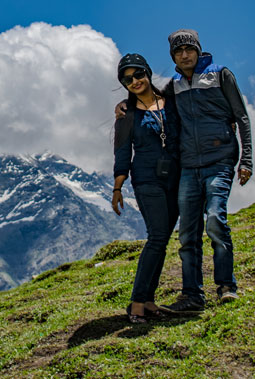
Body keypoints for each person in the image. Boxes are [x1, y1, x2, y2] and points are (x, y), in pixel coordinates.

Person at [161, 29, 253, 311]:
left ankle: (227, 286)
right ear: (173, 56)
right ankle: (192, 295)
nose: (185, 55)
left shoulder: (220, 74)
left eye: (189, 49)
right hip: (189, 166)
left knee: (215, 219)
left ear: (198, 50)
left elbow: (242, 116)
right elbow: (148, 102)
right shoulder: (172, 85)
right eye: (179, 51)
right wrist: (123, 106)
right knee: (187, 234)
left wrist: (246, 159)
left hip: (220, 161)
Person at [111, 53, 181, 324]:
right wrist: (118, 187)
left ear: (148, 73)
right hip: (146, 180)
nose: (134, 81)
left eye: (138, 74)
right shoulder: (126, 115)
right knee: (157, 236)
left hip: (176, 179)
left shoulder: (173, 103)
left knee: (162, 240)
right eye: (127, 79)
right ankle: (137, 302)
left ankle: (149, 299)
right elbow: (121, 152)